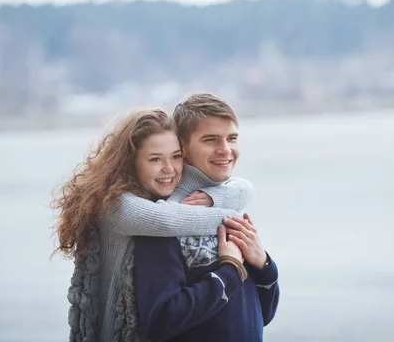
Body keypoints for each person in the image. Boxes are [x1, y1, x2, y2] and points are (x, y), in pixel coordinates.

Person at [50, 108, 254, 342]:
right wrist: (236, 221)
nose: (169, 169)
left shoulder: (153, 195)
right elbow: (167, 220)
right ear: (130, 162)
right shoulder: (117, 206)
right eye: (155, 159)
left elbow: (240, 185)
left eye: (176, 157)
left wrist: (216, 197)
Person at [134, 93, 280, 342]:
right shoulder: (166, 221)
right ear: (182, 150)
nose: (225, 150)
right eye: (210, 140)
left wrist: (264, 267)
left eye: (232, 138)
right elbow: (160, 321)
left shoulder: (229, 211)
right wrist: (230, 272)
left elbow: (261, 316)